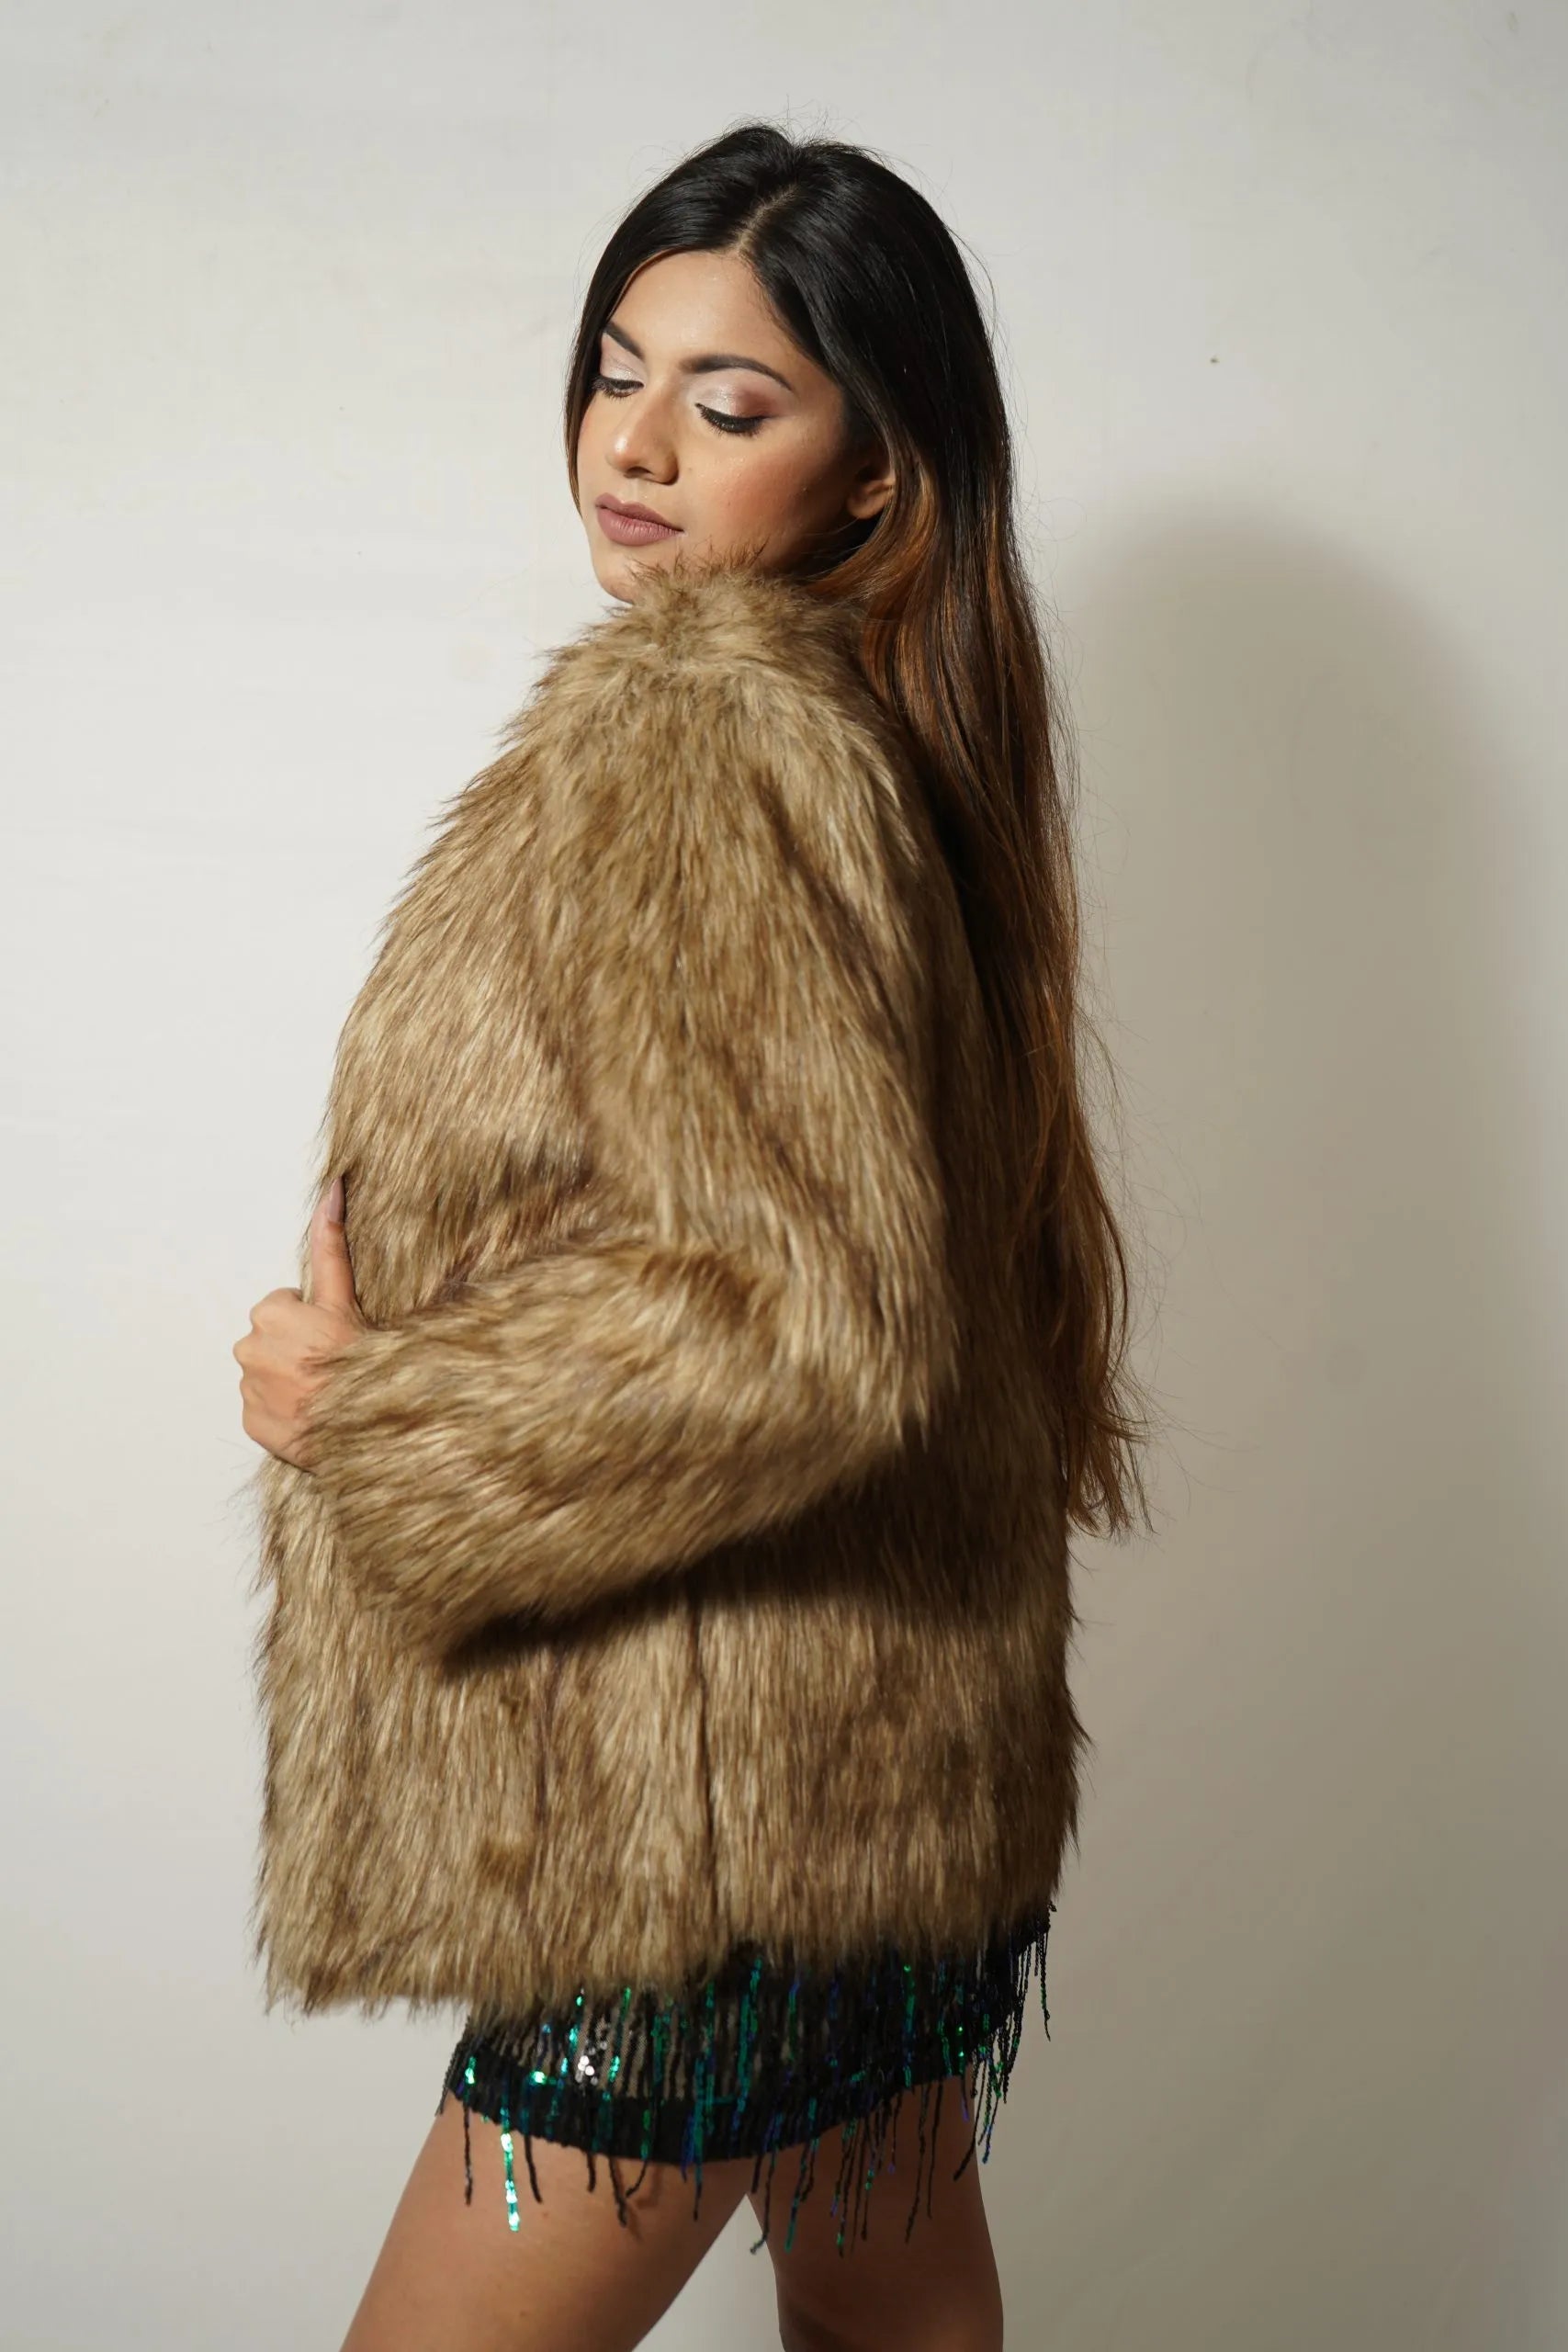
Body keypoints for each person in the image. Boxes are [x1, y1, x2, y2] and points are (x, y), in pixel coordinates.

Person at [233, 120, 1154, 2352]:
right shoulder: (876, 733)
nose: (633, 445)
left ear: (872, 472)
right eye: (616, 371)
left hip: (705, 1838)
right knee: (892, 2324)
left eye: (728, 404)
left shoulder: (709, 732)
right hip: (876, 1784)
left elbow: (801, 1321)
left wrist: (376, 1413)